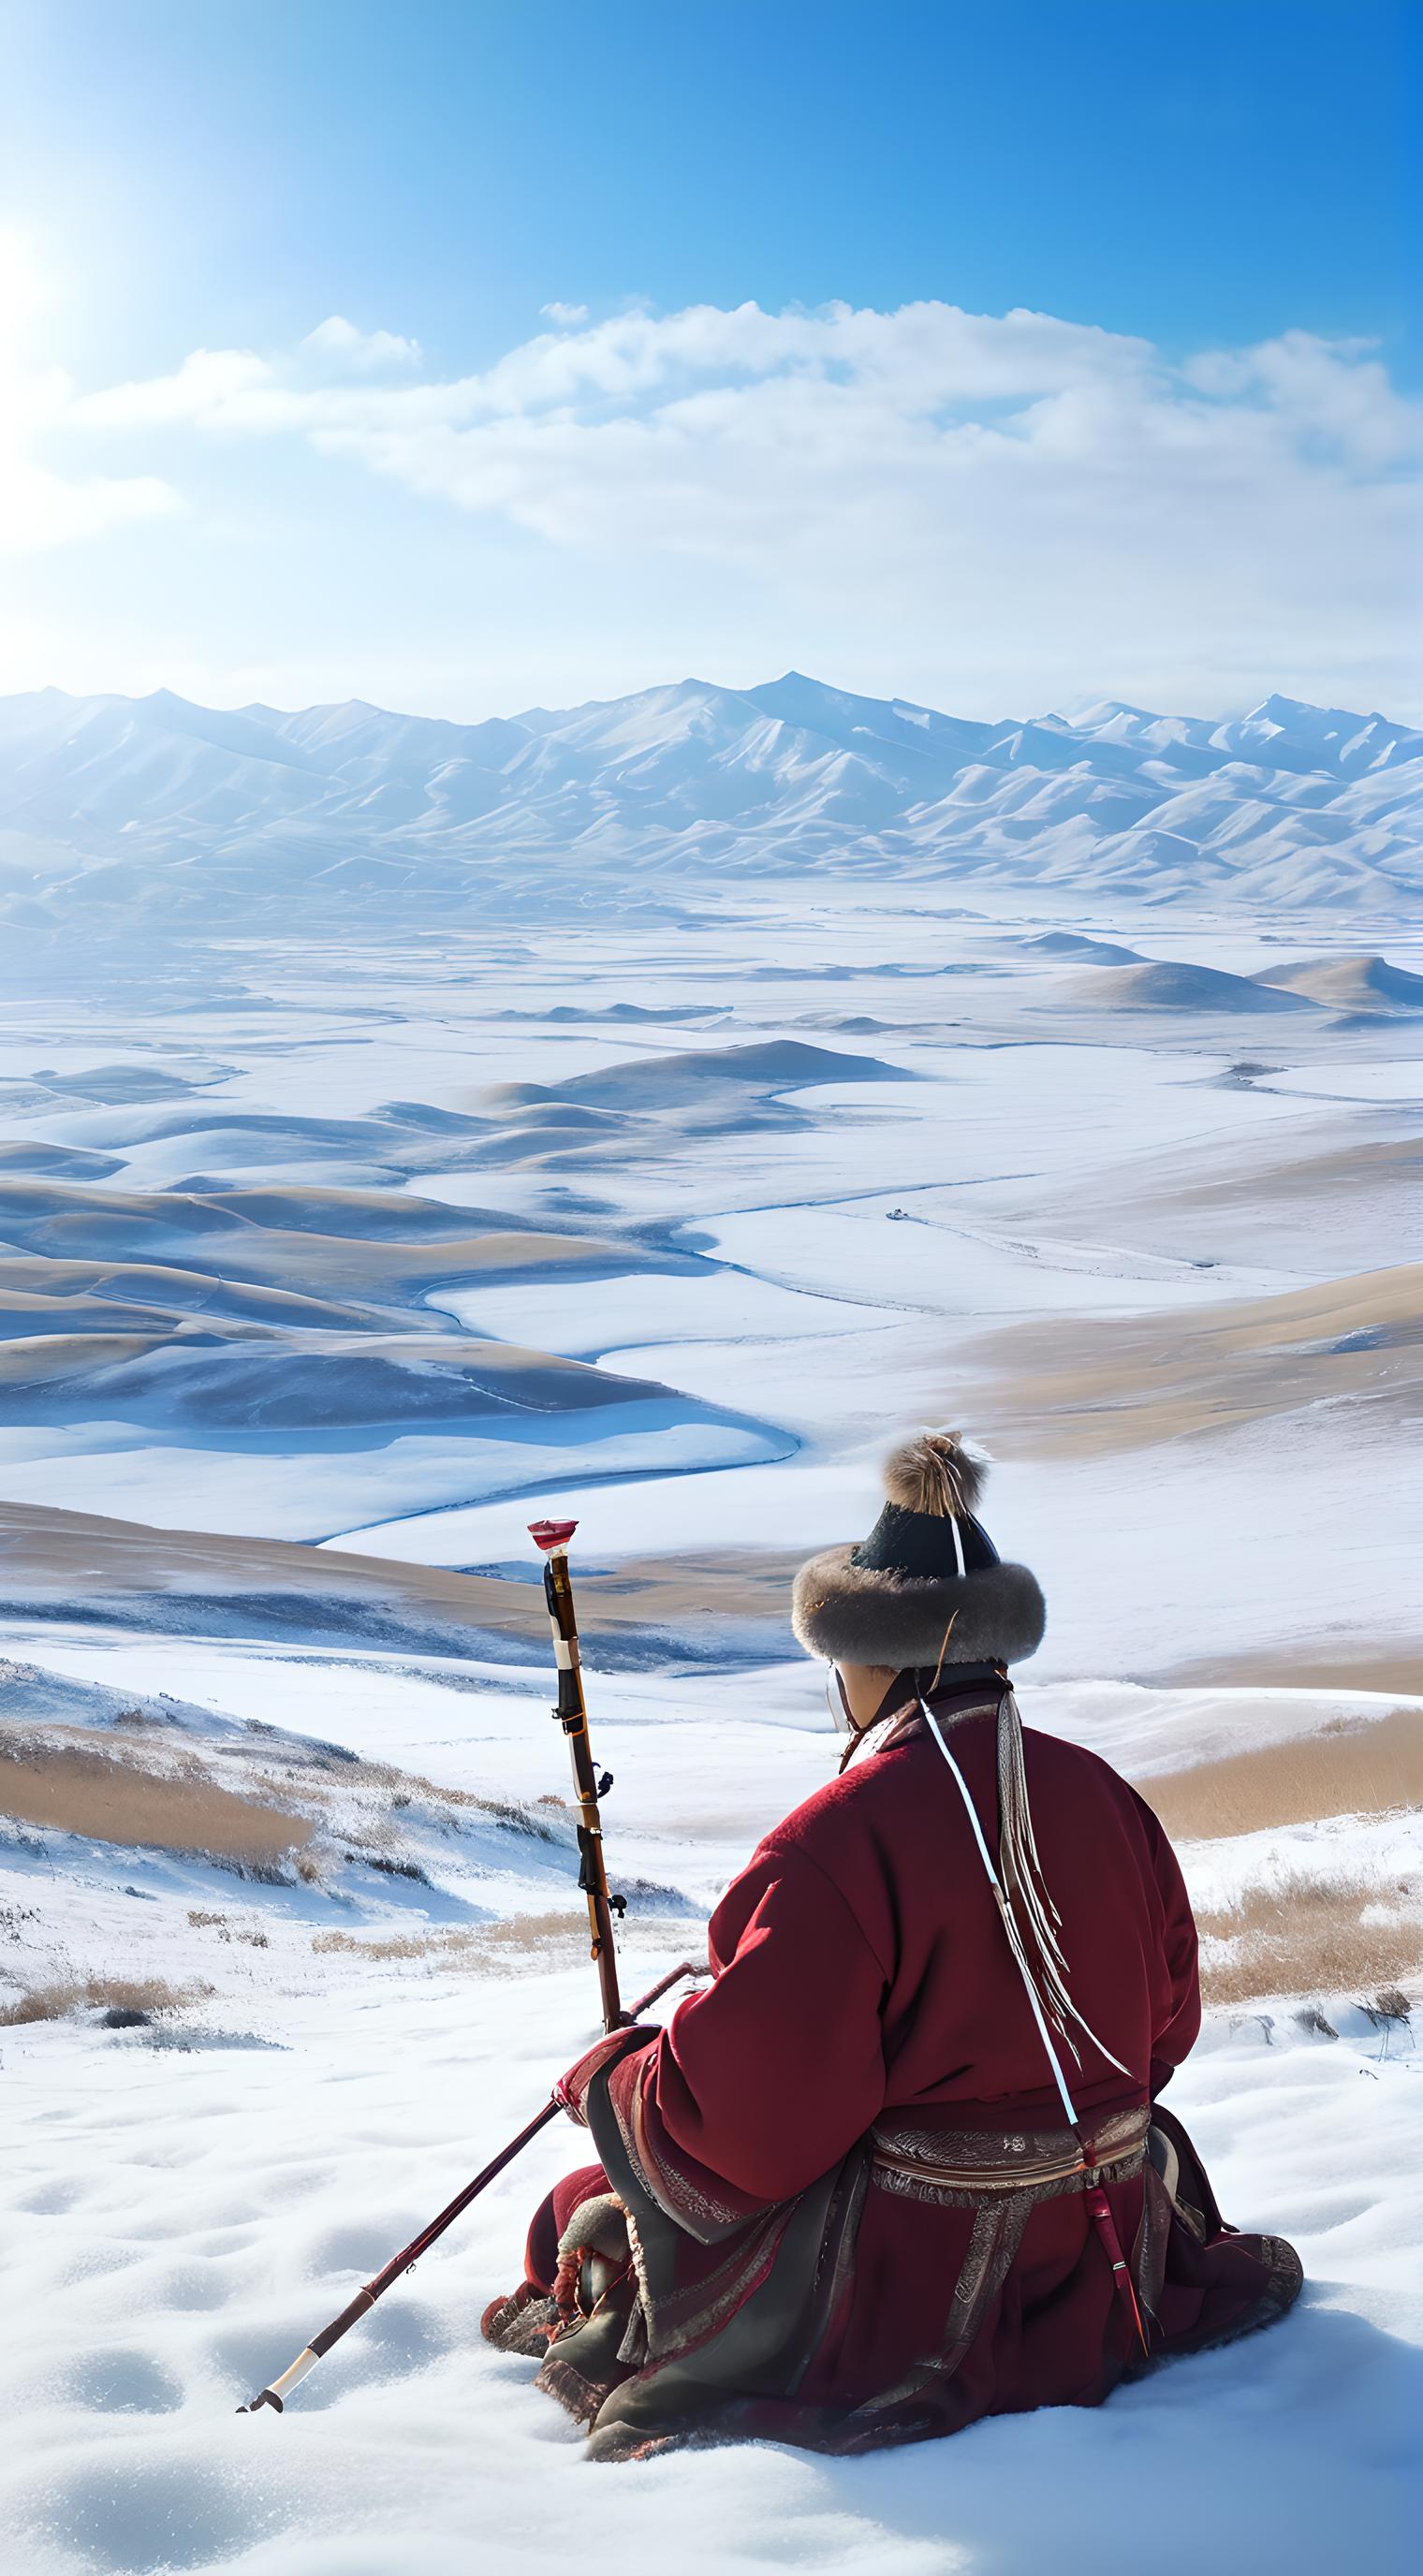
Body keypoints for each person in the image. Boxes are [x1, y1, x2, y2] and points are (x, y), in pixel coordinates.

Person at [482, 1430, 1301, 2459]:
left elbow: (754, 2125)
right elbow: (1160, 2036)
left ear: (871, 1655)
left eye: (841, 1659)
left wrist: (617, 2075)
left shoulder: (833, 1838)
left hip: (910, 2276)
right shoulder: (1101, 1793)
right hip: (1102, 2237)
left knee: (585, 2214)